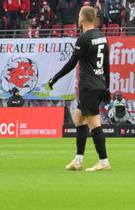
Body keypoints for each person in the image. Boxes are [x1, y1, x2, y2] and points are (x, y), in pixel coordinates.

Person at [48, 6, 112, 171]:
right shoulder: (102, 37)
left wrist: (55, 78)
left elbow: (71, 64)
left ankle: (104, 161)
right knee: (78, 120)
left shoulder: (83, 39)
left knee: (94, 123)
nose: (78, 17)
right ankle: (78, 160)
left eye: (79, 15)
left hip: (89, 87)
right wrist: (107, 87)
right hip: (98, 85)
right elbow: (106, 65)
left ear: (83, 18)